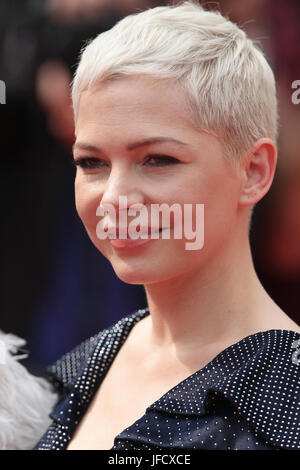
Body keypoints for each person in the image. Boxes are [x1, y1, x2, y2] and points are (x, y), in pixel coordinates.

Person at [34, 1, 300, 450]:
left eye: (158, 160)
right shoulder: (77, 370)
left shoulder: (285, 400)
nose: (115, 198)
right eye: (92, 162)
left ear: (253, 171)